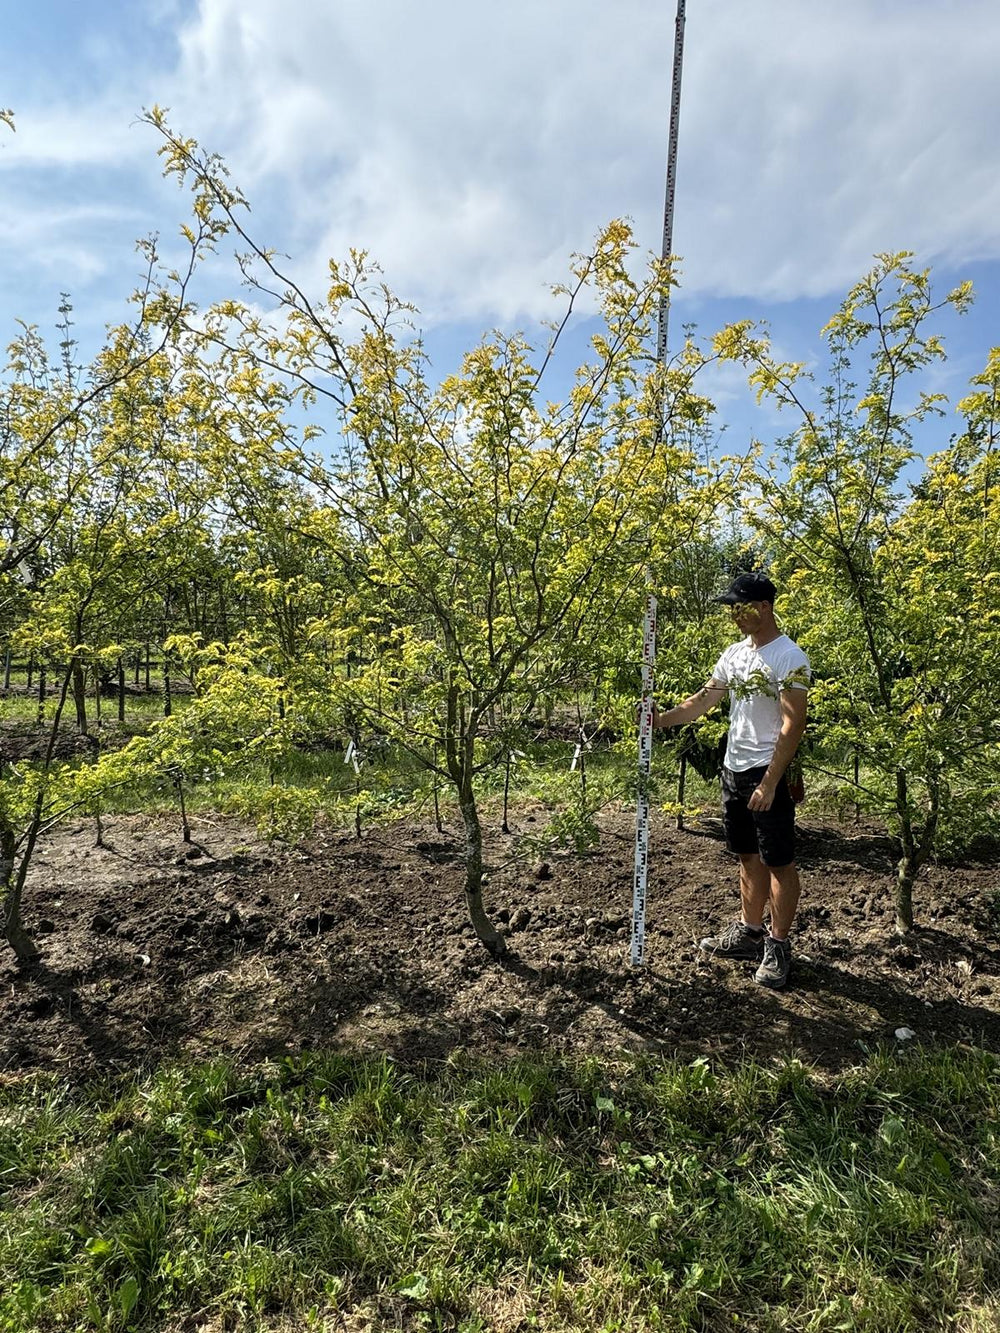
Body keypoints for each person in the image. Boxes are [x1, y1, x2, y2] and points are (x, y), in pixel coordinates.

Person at [652, 572, 810, 988]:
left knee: (779, 862)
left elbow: (793, 725)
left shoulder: (788, 657)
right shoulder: (735, 655)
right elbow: (704, 699)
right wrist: (660, 721)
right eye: (731, 609)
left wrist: (771, 782)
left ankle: (778, 945)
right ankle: (749, 931)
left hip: (766, 771)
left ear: (764, 607)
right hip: (734, 767)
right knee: (746, 855)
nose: (734, 616)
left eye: (739, 608)